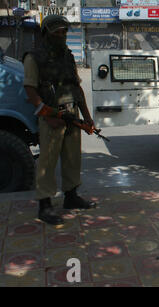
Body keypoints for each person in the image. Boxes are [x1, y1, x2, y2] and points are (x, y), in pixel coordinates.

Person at [23, 15, 96, 225]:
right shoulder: (34, 57)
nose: (62, 36)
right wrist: (48, 116)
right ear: (46, 33)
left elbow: (76, 88)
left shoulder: (68, 56)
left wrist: (87, 117)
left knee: (73, 158)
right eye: (57, 32)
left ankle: (71, 197)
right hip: (51, 116)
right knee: (47, 162)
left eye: (64, 32)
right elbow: (30, 90)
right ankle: (44, 206)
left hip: (72, 114)